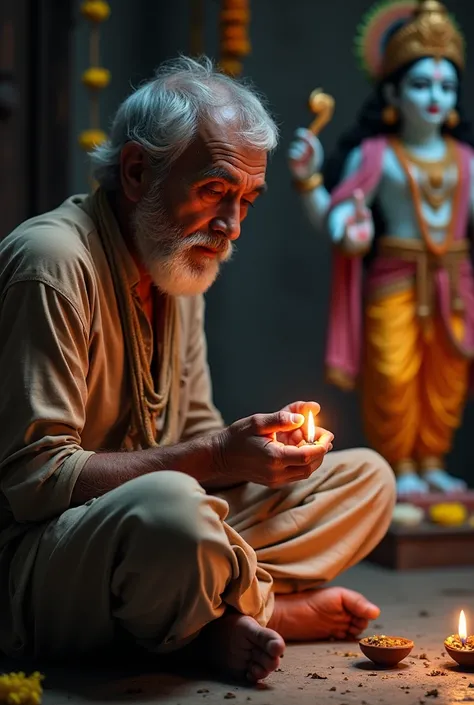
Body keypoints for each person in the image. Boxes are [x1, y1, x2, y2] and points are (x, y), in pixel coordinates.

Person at [0, 56, 395, 683]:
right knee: (173, 513)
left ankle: (199, 609)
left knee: (368, 480)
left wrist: (260, 452)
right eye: (214, 191)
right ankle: (261, 614)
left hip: (171, 533)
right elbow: (33, 481)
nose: (231, 226)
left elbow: (200, 437)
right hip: (49, 559)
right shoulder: (51, 263)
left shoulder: (179, 263)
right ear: (136, 172)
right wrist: (214, 456)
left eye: (247, 201)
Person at [288, 0, 474, 497]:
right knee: (392, 376)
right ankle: (399, 470)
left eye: (446, 86)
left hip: (456, 286)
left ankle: (432, 461)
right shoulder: (376, 156)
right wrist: (309, 182)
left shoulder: (467, 160)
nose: (435, 96)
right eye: (420, 84)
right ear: (392, 90)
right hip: (393, 280)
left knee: (447, 378)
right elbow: (337, 220)